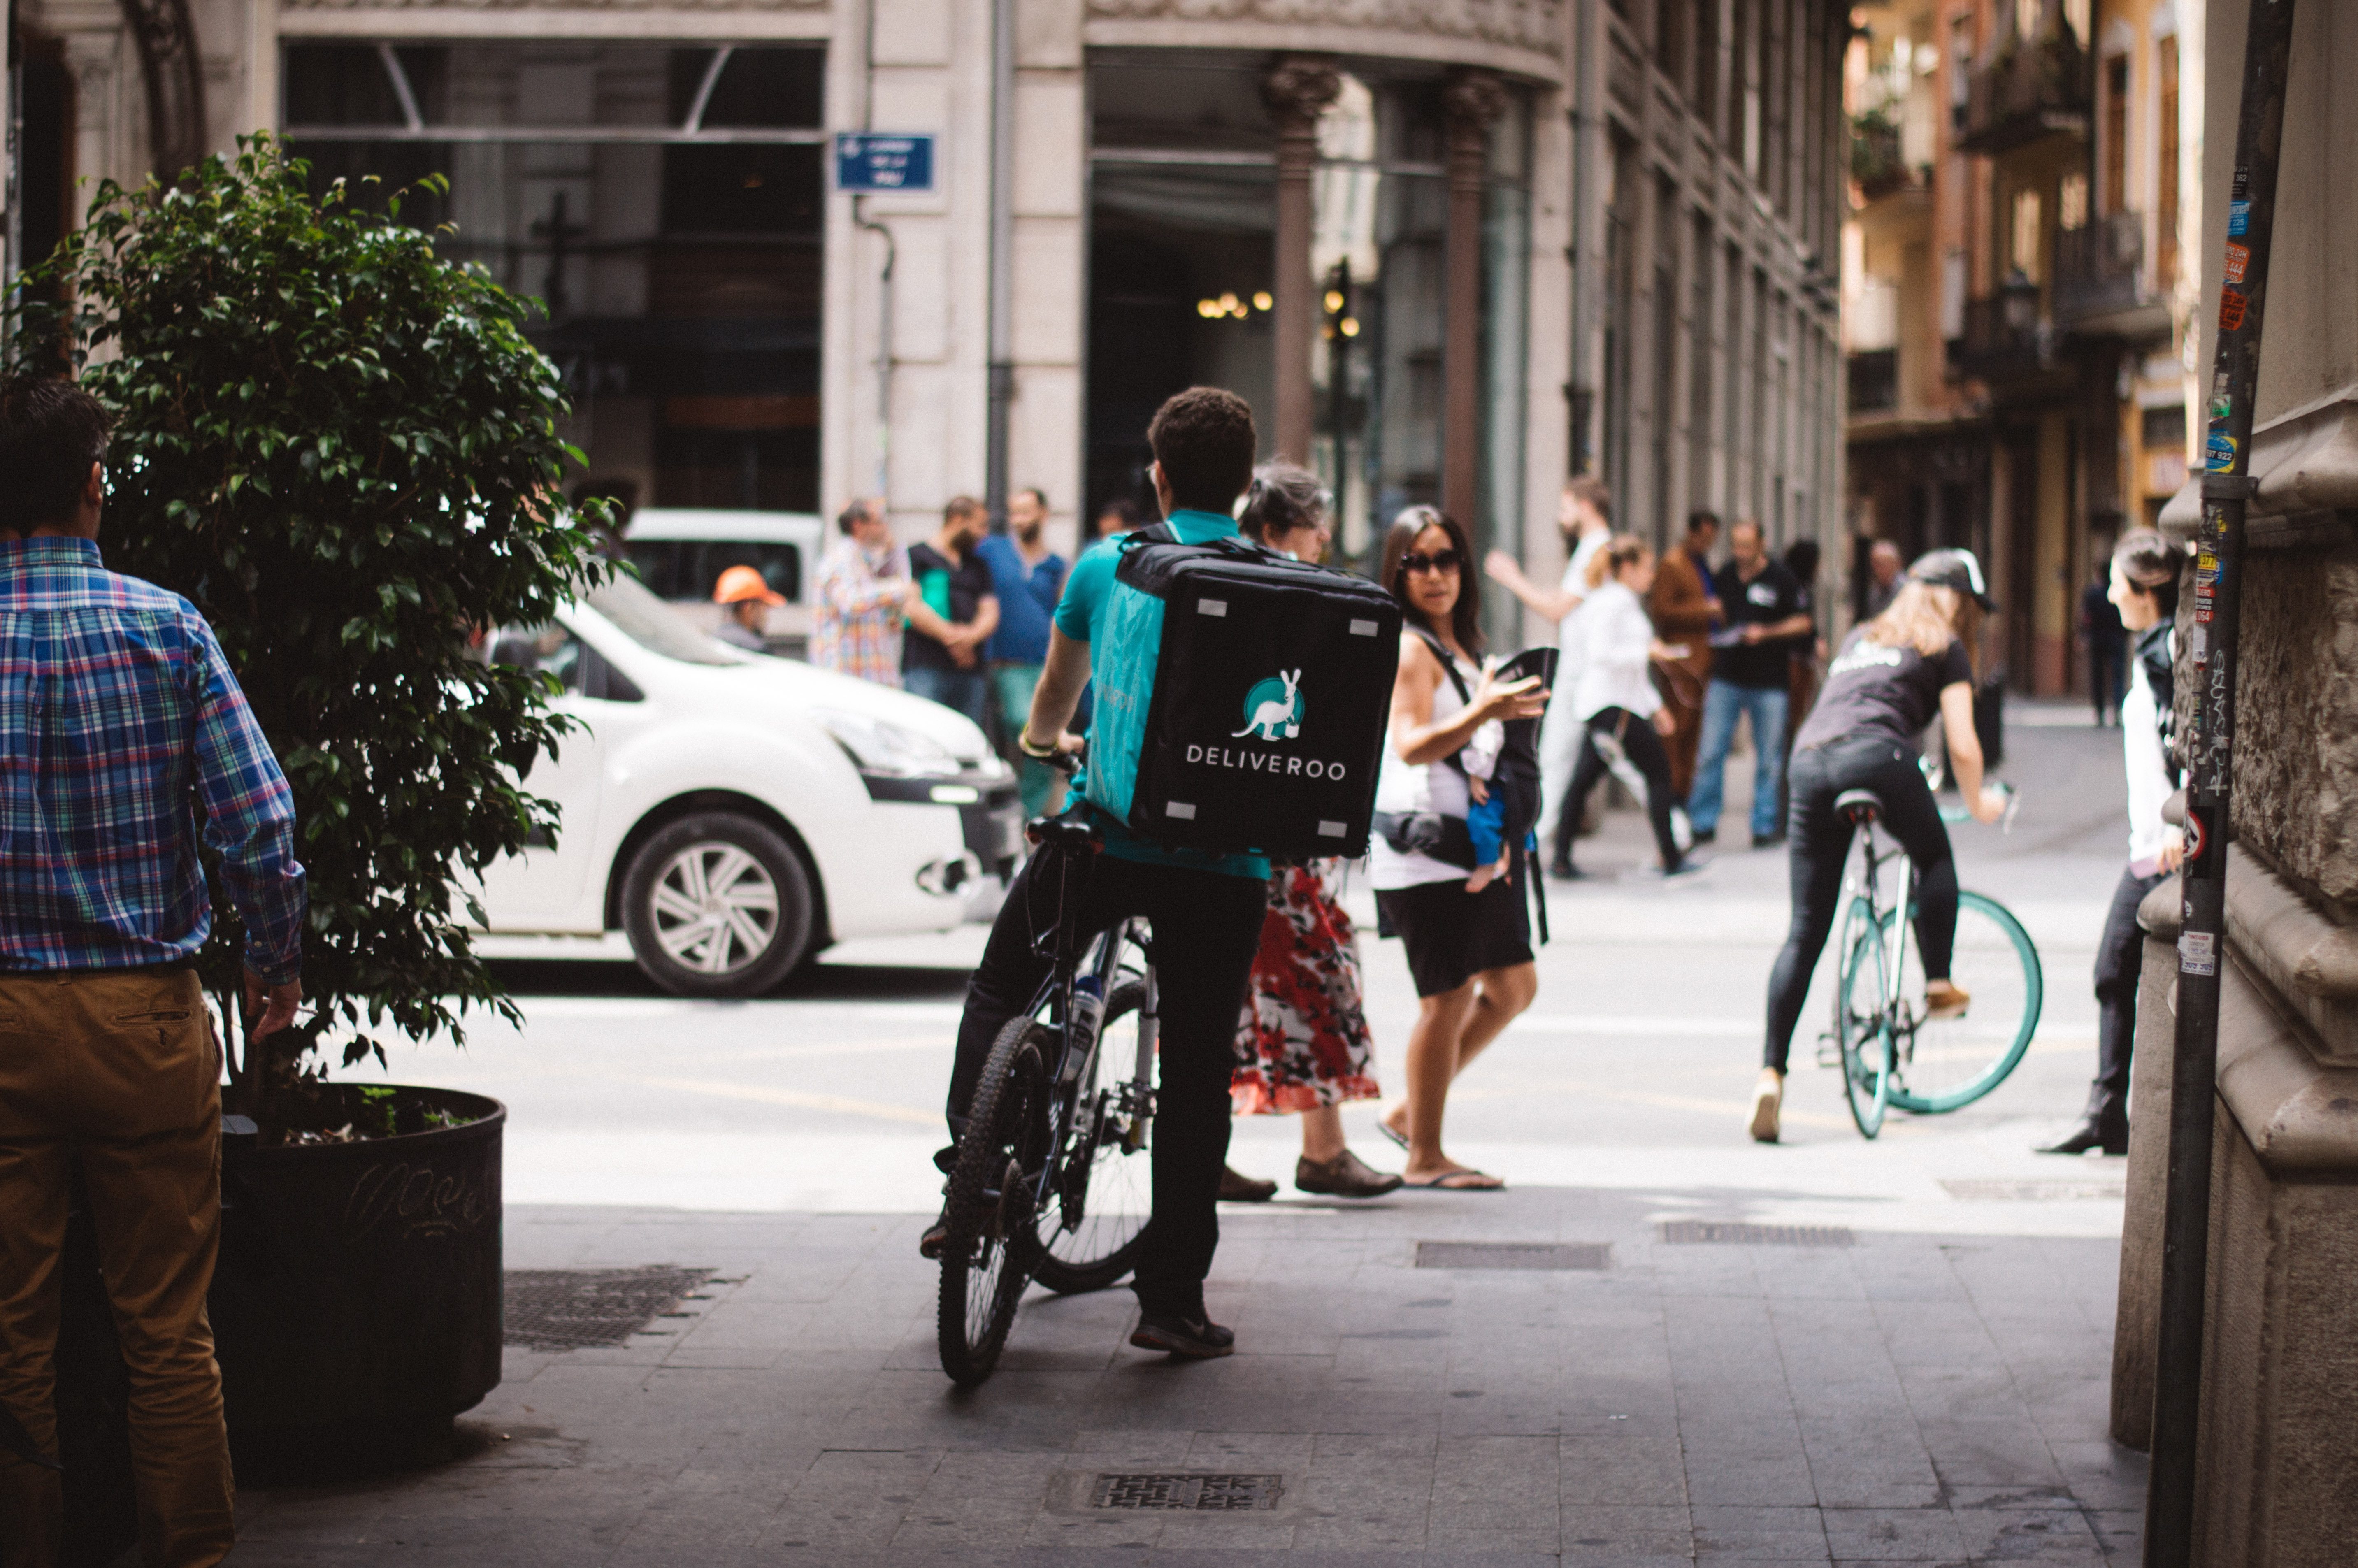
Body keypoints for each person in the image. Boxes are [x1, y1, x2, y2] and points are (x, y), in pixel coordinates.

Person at [0, 375, 308, 1566]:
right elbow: (259, 822)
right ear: (89, 484)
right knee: (167, 1332)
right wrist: (272, 969)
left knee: (11, 1340)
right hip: (143, 1021)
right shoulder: (163, 625)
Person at [927, 387, 1272, 1360]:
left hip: (1108, 838)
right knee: (1198, 1071)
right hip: (1223, 864)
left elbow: (1054, 692)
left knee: (1004, 982)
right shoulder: (1276, 582)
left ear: (1157, 477)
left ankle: (974, 1178)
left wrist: (1046, 740)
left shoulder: (1104, 565)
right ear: (1245, 486)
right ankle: (1170, 1302)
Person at [1750, 548, 2011, 1143]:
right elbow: (1964, 746)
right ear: (1954, 600)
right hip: (1879, 755)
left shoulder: (1860, 636)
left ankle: (1769, 1072)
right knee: (1933, 857)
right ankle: (1938, 982)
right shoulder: (1943, 645)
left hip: (1810, 759)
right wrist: (1978, 801)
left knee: (1805, 928)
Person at [1217, 464, 1403, 1204]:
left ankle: (1214, 1148)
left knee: (1220, 991)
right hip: (1280, 833)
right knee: (1318, 975)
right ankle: (1321, 1152)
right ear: (1274, 530)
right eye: (1314, 524)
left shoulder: (1219, 585)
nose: (1325, 538)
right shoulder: (1292, 599)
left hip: (1229, 825)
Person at [1370, 507, 1551, 1189]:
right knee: (1446, 999)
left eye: (1447, 559)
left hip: (1477, 848)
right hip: (1426, 848)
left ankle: (1409, 1112)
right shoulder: (1411, 647)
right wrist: (1484, 711)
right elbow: (1411, 743)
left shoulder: (1466, 647)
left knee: (1512, 987)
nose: (1436, 575)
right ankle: (1424, 1157)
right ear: (1398, 571)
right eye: (1418, 562)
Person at [2042, 530, 2185, 1156]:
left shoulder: (2165, 652)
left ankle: (2114, 1112)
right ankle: (2106, 1111)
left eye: (2116, 583)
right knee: (2113, 968)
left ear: (2145, 591)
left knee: (2117, 967)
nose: (2107, 593)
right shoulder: (2151, 647)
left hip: (2165, 846)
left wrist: (2181, 828)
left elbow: (2185, 742)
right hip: (2149, 843)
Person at [1484, 476, 1613, 879]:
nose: (1561, 518)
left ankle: (1529, 843)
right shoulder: (1594, 550)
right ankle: (1675, 838)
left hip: (1587, 673)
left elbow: (1557, 608)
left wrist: (1511, 578)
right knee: (1609, 753)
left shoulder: (1598, 550)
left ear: (1584, 506)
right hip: (1588, 671)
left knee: (1563, 759)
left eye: (1565, 508)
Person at [1554, 537, 1702, 880]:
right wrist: (1649, 654)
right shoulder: (1612, 604)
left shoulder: (1622, 602)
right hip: (1610, 705)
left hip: (1611, 705)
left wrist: (1655, 706)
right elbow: (1601, 655)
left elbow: (1631, 671)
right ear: (1627, 568)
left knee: (1583, 781)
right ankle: (1670, 855)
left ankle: (1561, 858)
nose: (1653, 575)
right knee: (1658, 774)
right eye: (1648, 568)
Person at [1688, 519, 1812, 850]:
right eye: (1735, 545)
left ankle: (1764, 825)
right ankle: (1702, 822)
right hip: (1727, 676)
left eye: (1746, 546)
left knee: (1768, 758)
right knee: (1711, 750)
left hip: (1769, 682)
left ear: (1761, 544)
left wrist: (1766, 632)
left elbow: (1803, 622)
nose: (1740, 553)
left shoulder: (1781, 579)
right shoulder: (1725, 575)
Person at [975, 487, 1070, 818]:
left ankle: (1026, 814)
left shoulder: (1056, 564)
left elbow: (1062, 611)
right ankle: (1009, 810)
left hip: (1043, 666)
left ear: (1044, 514)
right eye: (1014, 512)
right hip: (1004, 663)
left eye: (1026, 512)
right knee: (1021, 725)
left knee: (1042, 743)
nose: (1019, 520)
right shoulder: (992, 550)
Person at [901, 496, 1000, 727]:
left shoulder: (978, 565)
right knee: (924, 732)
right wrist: (955, 640)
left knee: (967, 736)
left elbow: (990, 611)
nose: (983, 534)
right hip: (925, 666)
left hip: (970, 670)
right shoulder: (915, 556)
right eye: (980, 525)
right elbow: (912, 607)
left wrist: (971, 637)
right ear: (957, 520)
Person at [1649, 511, 1721, 804]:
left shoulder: (1700, 564)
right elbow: (1662, 610)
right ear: (1690, 533)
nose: (1706, 544)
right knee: (1677, 730)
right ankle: (1672, 792)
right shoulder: (1673, 564)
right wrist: (1704, 609)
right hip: (1681, 661)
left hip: (1702, 660)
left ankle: (1684, 791)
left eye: (1711, 540)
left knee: (1693, 731)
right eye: (1702, 538)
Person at [812, 497, 909, 686]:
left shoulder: (862, 561)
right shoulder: (841, 559)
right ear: (859, 526)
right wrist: (898, 589)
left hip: (864, 679)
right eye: (879, 522)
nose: (885, 529)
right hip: (847, 680)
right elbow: (852, 602)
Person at [1784, 537, 1826, 744]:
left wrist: (1816, 638)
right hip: (1794, 658)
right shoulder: (1792, 585)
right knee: (1791, 717)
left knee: (1798, 716)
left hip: (1804, 656)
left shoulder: (1806, 587)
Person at [2080, 567, 2129, 727]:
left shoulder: (2092, 594)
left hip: (2098, 640)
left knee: (2098, 678)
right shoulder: (2118, 596)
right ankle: (2117, 712)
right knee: (2118, 677)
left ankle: (2100, 714)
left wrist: (2084, 636)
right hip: (2116, 639)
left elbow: (2087, 618)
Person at [711, 563, 783, 652]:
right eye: (765, 609)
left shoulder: (711, 644)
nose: (767, 617)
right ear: (748, 606)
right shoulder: (757, 649)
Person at [1861, 538, 1905, 620]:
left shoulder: (1907, 589)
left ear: (1896, 564)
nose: (1879, 569)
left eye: (1884, 563)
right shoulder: (1875, 592)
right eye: (1876, 563)